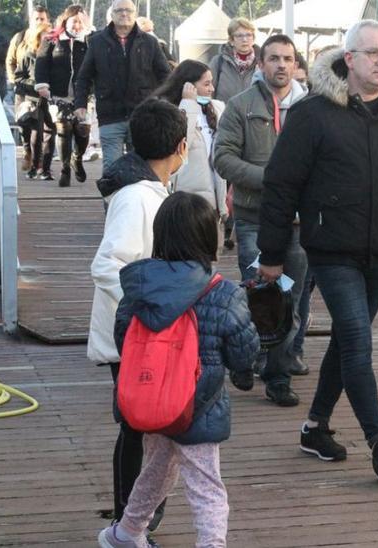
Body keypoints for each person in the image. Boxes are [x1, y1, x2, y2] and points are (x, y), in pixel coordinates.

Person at [257, 20, 378, 481]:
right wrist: (272, 253)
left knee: (346, 341)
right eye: (374, 52)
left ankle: (315, 427)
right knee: (358, 338)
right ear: (349, 59)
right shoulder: (314, 114)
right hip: (332, 250)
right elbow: (281, 187)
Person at [97, 191, 258, 548]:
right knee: (207, 487)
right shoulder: (224, 294)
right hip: (198, 408)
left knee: (157, 471)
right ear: (207, 239)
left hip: (153, 401)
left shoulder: (138, 290)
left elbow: (124, 340)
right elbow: (244, 354)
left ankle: (125, 533)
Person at [88, 98, 188, 534]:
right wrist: (150, 308)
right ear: (181, 147)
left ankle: (134, 524)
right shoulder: (135, 198)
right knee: (137, 431)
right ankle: (130, 525)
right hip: (132, 335)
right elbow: (108, 265)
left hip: (140, 333)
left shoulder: (147, 192)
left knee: (142, 431)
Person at [213, 34, 311, 406]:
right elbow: (221, 158)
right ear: (260, 63)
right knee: (259, 292)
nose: (281, 65)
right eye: (273, 58)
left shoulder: (311, 107)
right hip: (254, 215)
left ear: (296, 64)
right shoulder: (240, 106)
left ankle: (278, 373)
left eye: (287, 58)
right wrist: (271, 179)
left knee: (293, 296)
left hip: (300, 221)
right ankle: (246, 356)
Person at [74, 0, 171, 171]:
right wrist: (80, 103)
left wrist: (161, 103)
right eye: (119, 10)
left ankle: (137, 198)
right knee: (112, 167)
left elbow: (166, 76)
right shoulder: (97, 42)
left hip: (143, 115)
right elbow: (84, 77)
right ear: (111, 15)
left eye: (128, 10)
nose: (124, 14)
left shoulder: (150, 42)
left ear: (135, 14)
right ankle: (112, 199)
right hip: (110, 114)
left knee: (142, 167)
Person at [152, 60, 227, 214]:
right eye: (206, 84)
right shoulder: (170, 110)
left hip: (214, 201)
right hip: (186, 200)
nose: (211, 89)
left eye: (211, 83)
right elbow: (182, 144)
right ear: (188, 86)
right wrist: (188, 103)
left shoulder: (217, 108)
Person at [36, 5, 92, 187]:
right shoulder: (52, 39)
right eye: (74, 20)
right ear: (66, 20)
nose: (77, 25)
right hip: (59, 94)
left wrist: (88, 28)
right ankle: (65, 169)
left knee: (82, 130)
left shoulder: (90, 40)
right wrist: (43, 85)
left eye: (80, 21)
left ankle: (77, 157)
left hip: (83, 94)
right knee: (64, 128)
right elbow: (41, 64)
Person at [5, 6, 49, 171]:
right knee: (24, 122)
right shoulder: (20, 37)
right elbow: (10, 60)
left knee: (40, 127)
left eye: (42, 19)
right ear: (31, 20)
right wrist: (14, 81)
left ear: (47, 20)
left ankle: (39, 160)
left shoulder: (49, 37)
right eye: (36, 18)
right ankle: (26, 150)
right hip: (23, 88)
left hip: (41, 92)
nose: (39, 21)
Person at [13, 20, 57, 181]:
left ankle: (45, 168)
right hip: (33, 101)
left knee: (50, 133)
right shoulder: (28, 56)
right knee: (36, 135)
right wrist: (37, 85)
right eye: (44, 36)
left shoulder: (57, 55)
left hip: (51, 100)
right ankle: (35, 167)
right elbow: (18, 78)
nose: (48, 39)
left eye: (50, 36)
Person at [207, 18, 259, 103]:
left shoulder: (262, 63)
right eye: (239, 36)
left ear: (253, 38)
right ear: (231, 40)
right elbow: (207, 91)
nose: (245, 39)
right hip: (225, 114)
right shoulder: (219, 62)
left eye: (249, 35)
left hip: (253, 115)